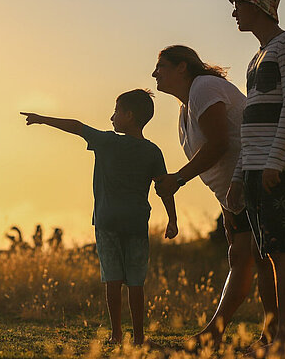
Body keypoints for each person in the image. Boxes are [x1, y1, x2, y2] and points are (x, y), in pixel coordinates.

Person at [21, 89, 178, 345]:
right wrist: (173, 219)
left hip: (107, 221)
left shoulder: (107, 141)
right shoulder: (152, 151)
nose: (111, 117)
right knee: (136, 282)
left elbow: (76, 126)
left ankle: (117, 335)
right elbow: (164, 187)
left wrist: (43, 119)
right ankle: (138, 337)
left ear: (129, 115)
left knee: (112, 279)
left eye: (116, 112)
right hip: (137, 223)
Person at [226, 0, 285, 350]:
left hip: (279, 170)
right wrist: (238, 176)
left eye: (240, 5)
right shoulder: (257, 57)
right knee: (264, 257)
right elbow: (252, 123)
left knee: (282, 253)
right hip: (255, 170)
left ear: (260, 9)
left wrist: (276, 162)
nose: (235, 12)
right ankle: (271, 335)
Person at [151, 45, 260, 345]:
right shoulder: (185, 107)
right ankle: (218, 332)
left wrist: (178, 178)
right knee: (241, 257)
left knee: (264, 258)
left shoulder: (204, 87)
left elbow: (220, 144)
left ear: (182, 67)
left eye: (161, 66)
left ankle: (276, 335)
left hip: (254, 179)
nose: (154, 73)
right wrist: (226, 206)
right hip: (235, 193)